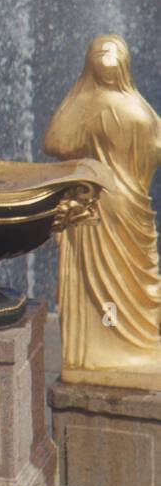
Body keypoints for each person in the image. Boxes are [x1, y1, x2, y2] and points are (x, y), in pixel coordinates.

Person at [45, 35, 161, 387]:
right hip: (131, 203)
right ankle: (135, 343)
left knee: (98, 278)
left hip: (94, 202)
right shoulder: (139, 108)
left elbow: (54, 143)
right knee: (132, 276)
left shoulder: (86, 104)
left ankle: (96, 354)